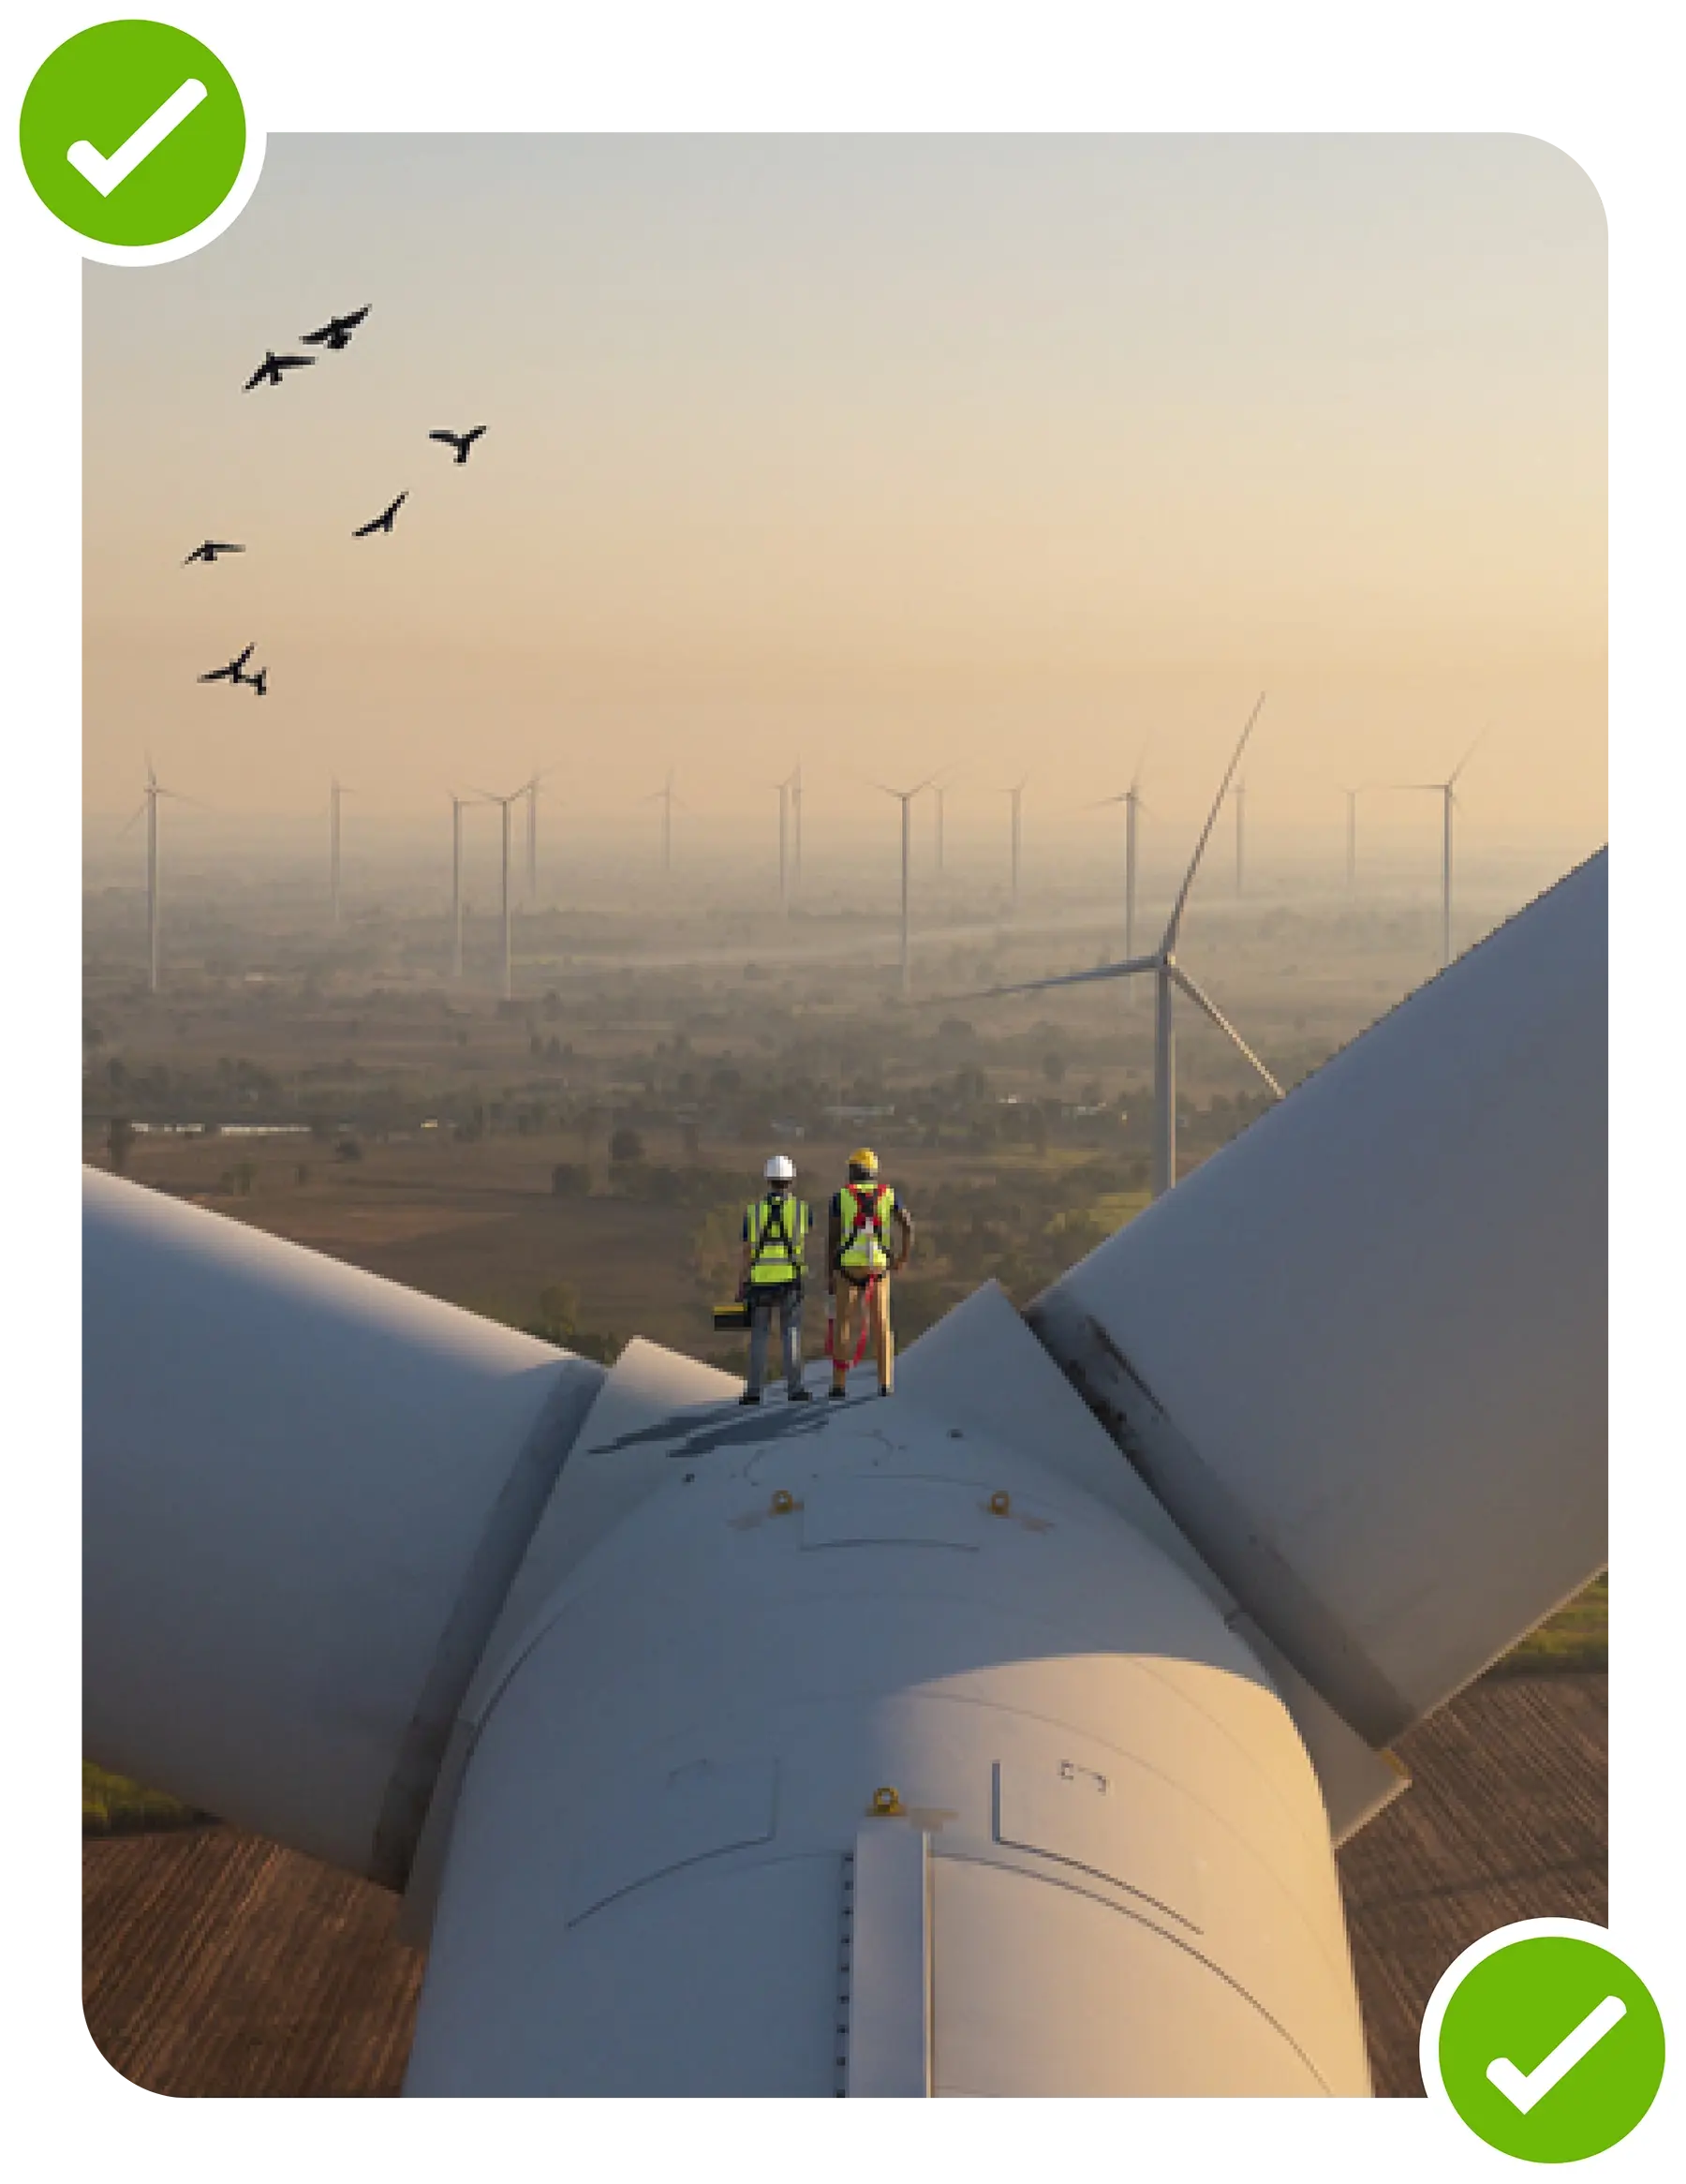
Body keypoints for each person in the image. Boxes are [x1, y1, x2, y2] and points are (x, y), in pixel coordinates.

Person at [827, 1148, 912, 1400]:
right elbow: (908, 1225)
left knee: (843, 1324)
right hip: (878, 1267)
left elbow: (832, 1239)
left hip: (848, 1268)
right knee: (882, 1325)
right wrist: (902, 1258)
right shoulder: (888, 1195)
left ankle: (839, 1385)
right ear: (873, 1172)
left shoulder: (841, 1197)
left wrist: (829, 1273)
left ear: (853, 1171)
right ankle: (885, 1383)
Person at [738, 1154, 813, 1405]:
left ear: (768, 1180)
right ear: (791, 1179)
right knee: (790, 1332)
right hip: (790, 1280)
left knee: (759, 1335)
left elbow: (747, 1251)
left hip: (760, 1282)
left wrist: (742, 1283)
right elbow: (804, 1238)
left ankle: (753, 1392)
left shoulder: (753, 1212)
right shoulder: (802, 1210)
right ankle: (795, 1389)